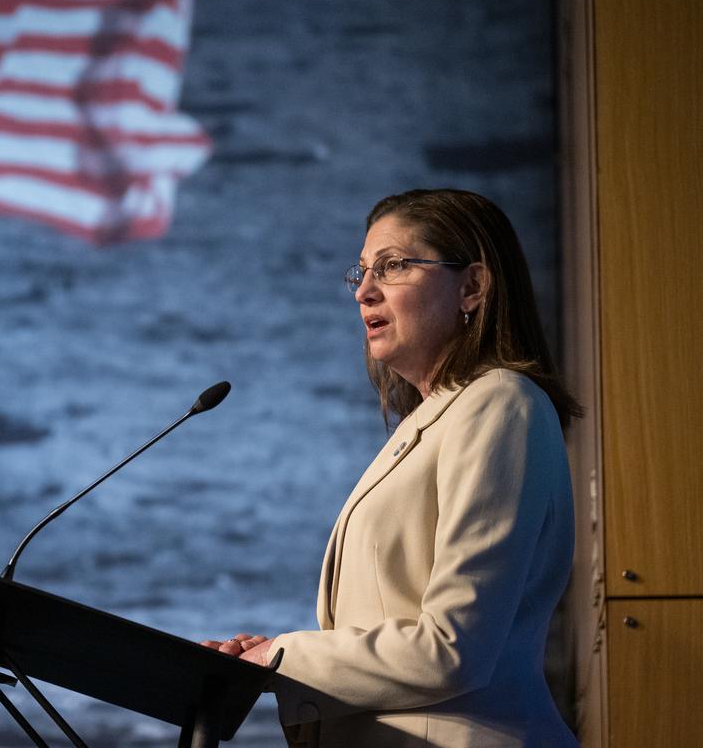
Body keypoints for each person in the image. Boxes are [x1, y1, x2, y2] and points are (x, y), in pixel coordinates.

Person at [203, 189, 581, 747]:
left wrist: (281, 657)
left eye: (394, 265)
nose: (363, 290)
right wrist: (267, 660)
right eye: (361, 270)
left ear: (472, 286)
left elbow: (453, 648)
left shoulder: (501, 404)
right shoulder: (428, 422)